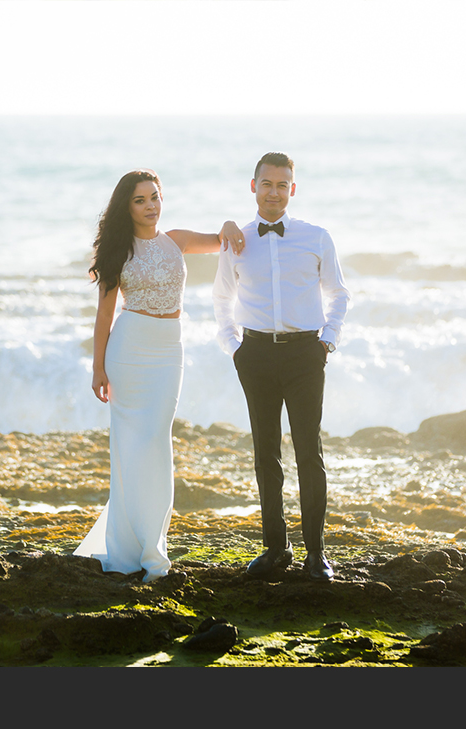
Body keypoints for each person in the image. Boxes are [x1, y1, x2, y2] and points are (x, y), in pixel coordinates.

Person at [74, 169, 243, 583]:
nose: (151, 206)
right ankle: (135, 553)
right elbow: (104, 313)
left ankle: (152, 547)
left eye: (155, 197)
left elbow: (223, 241)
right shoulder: (119, 251)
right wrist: (98, 367)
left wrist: (228, 225)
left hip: (169, 350)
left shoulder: (177, 240)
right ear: (126, 207)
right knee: (131, 448)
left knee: (156, 443)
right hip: (129, 351)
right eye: (140, 200)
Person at [212, 152, 350, 582]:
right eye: (266, 184)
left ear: (293, 189)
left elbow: (339, 293)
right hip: (255, 356)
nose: (274, 192)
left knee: (309, 452)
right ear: (253, 187)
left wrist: (328, 339)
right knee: (265, 452)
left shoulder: (316, 237)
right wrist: (234, 347)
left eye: (282, 185)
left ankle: (316, 554)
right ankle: (276, 548)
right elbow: (221, 299)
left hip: (306, 354)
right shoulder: (237, 240)